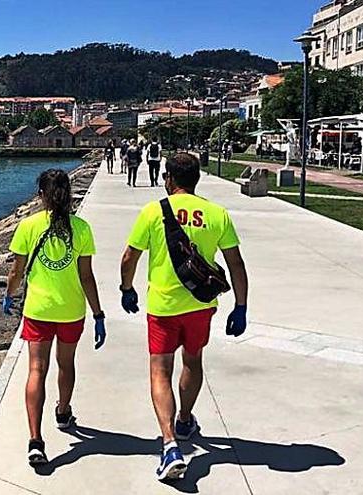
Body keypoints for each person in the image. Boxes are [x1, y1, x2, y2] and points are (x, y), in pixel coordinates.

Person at [119, 153, 249, 482]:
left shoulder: (153, 211)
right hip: (201, 306)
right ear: (197, 179)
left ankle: (170, 445)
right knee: (193, 361)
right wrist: (241, 305)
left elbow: (129, 256)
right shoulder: (217, 214)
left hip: (163, 307)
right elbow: (236, 263)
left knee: (160, 370)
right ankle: (185, 419)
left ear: (168, 179)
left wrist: (127, 288)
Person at [3, 169, 106, 467]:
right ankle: (63, 411)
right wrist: (98, 313)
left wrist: (10, 295)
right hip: (72, 311)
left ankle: (35, 440)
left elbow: (16, 272)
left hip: (38, 310)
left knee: (37, 369)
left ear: (41, 195)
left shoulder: (28, 226)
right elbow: (86, 277)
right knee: (66, 364)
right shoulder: (82, 228)